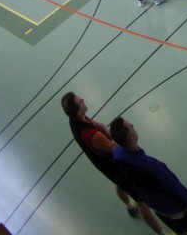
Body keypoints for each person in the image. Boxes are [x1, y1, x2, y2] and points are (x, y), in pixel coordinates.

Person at [59, 93, 162, 233]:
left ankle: (128, 205)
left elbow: (98, 126)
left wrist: (104, 130)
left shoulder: (75, 120)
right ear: (78, 110)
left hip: (107, 165)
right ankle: (161, 232)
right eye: (80, 101)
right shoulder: (93, 136)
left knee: (120, 184)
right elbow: (115, 148)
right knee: (141, 201)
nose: (83, 99)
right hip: (114, 166)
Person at [109, 118, 187, 235]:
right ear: (131, 138)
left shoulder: (118, 154)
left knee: (179, 231)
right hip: (179, 212)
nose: (133, 125)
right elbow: (176, 188)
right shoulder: (153, 166)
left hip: (159, 209)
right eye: (131, 126)